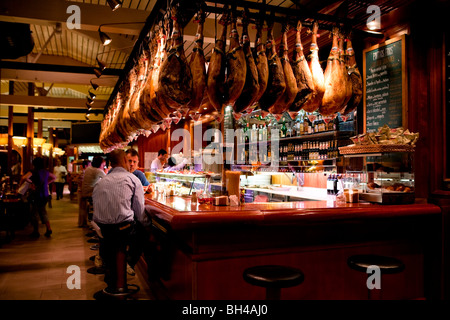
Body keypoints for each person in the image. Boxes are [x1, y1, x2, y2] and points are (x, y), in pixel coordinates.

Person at [92, 149, 148, 293]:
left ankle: (112, 280)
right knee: (144, 230)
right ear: (124, 161)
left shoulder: (100, 182)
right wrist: (147, 224)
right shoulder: (133, 179)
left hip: (102, 230)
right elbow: (140, 212)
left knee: (112, 241)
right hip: (122, 231)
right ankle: (129, 262)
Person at [20, 157, 56, 238]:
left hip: (36, 194)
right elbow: (54, 177)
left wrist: (32, 182)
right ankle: (49, 228)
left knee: (34, 213)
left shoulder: (33, 171)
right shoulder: (46, 172)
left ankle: (36, 231)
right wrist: (46, 182)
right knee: (43, 211)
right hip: (45, 195)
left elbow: (24, 177)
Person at [81, 156, 106, 223]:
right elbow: (107, 180)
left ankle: (94, 219)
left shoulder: (88, 168)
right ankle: (99, 220)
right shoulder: (98, 171)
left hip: (85, 192)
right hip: (90, 193)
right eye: (103, 165)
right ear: (100, 164)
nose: (103, 166)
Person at [77, 159, 91, 228]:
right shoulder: (84, 172)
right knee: (83, 208)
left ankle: (82, 222)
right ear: (86, 166)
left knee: (83, 208)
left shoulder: (82, 172)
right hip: (81, 191)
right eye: (89, 165)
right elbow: (82, 183)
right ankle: (82, 223)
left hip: (81, 191)